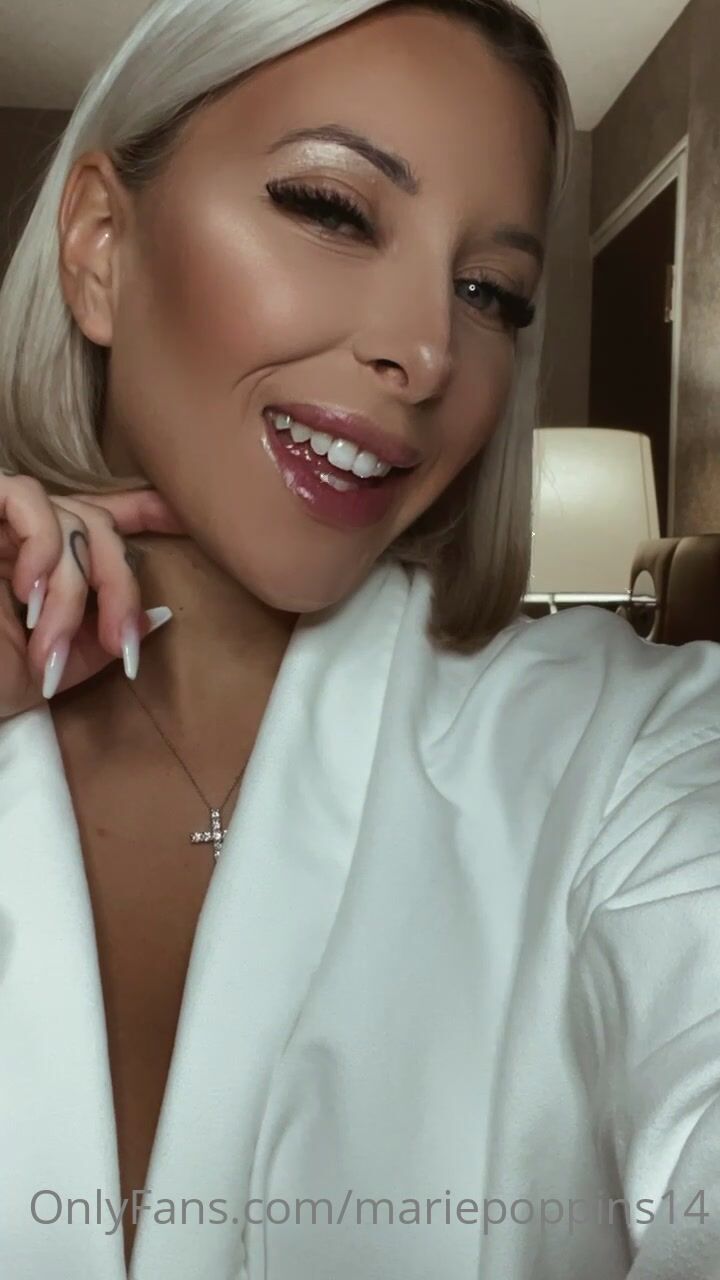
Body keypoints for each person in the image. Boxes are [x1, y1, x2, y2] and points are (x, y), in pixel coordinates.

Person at [0, 1, 718, 1277]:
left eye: (491, 292)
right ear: (102, 245)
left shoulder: (624, 745)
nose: (428, 351)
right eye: (331, 210)